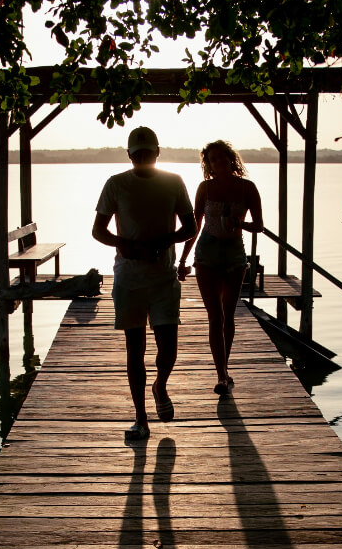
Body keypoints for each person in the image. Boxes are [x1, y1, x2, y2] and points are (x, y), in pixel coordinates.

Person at [93, 125, 197, 440]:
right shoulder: (116, 184)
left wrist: (165, 240)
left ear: (157, 152)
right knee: (134, 349)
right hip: (129, 278)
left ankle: (160, 385)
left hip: (164, 277)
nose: (142, 158)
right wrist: (123, 245)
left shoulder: (174, 182)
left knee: (168, 346)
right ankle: (141, 418)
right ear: (129, 155)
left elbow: (190, 226)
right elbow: (98, 230)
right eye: (137, 154)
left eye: (147, 153)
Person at [178, 140, 263, 393]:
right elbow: (195, 224)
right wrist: (183, 259)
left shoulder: (247, 187)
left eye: (221, 157)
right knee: (215, 317)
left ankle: (224, 368)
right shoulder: (205, 187)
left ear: (230, 159)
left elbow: (259, 225)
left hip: (235, 253)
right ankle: (222, 376)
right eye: (212, 159)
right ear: (209, 165)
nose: (218, 162)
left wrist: (239, 224)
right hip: (207, 253)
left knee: (228, 316)